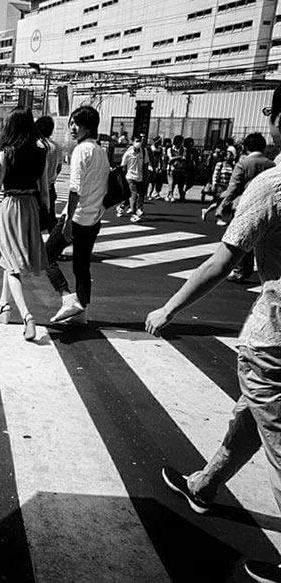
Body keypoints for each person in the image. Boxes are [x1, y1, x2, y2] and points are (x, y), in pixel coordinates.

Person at [146, 84, 281, 583]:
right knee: (252, 417)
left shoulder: (272, 184)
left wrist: (169, 307)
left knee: (278, 439)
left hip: (275, 339)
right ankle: (203, 486)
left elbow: (224, 261)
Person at [0, 107, 48, 342]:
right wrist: (47, 214)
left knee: (11, 263)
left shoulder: (6, 152)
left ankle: (27, 316)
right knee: (9, 260)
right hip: (31, 207)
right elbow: (45, 190)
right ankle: (2, 307)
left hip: (11, 206)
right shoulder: (41, 152)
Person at [45, 105, 109, 326]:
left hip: (76, 217)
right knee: (81, 266)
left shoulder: (81, 150)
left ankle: (67, 297)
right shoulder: (101, 151)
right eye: (72, 123)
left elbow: (75, 189)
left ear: (88, 127)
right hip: (93, 219)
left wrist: (68, 221)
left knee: (47, 256)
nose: (72, 128)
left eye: (77, 124)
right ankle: (82, 313)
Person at [219, 132, 276, 283]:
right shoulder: (271, 164)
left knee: (239, 239)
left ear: (245, 148)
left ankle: (239, 270)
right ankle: (250, 268)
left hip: (243, 204)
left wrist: (222, 206)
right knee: (260, 240)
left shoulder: (243, 164)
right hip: (266, 206)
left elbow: (233, 188)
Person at [35, 116, 62, 231]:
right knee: (50, 219)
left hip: (37, 189)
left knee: (35, 222)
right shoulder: (57, 146)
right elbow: (59, 167)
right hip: (50, 187)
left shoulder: (37, 145)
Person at [201, 149, 235, 223]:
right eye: (230, 155)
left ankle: (206, 211)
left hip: (228, 186)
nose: (231, 157)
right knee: (221, 202)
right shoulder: (220, 164)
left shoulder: (232, 165)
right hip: (220, 186)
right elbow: (215, 174)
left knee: (219, 202)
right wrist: (214, 184)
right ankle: (219, 218)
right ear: (225, 157)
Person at [121, 135, 146, 222]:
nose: (139, 143)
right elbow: (123, 166)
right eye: (137, 140)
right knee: (134, 195)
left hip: (140, 177)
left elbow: (145, 163)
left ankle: (123, 206)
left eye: (141, 141)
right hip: (131, 177)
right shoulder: (128, 153)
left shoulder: (143, 151)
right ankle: (134, 214)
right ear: (133, 142)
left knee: (140, 195)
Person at [166, 135, 187, 202]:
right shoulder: (170, 149)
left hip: (179, 168)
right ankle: (171, 196)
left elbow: (184, 158)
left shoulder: (183, 149)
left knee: (175, 183)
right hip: (171, 168)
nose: (181, 143)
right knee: (171, 182)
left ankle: (168, 195)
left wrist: (176, 158)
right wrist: (179, 157)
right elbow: (170, 158)